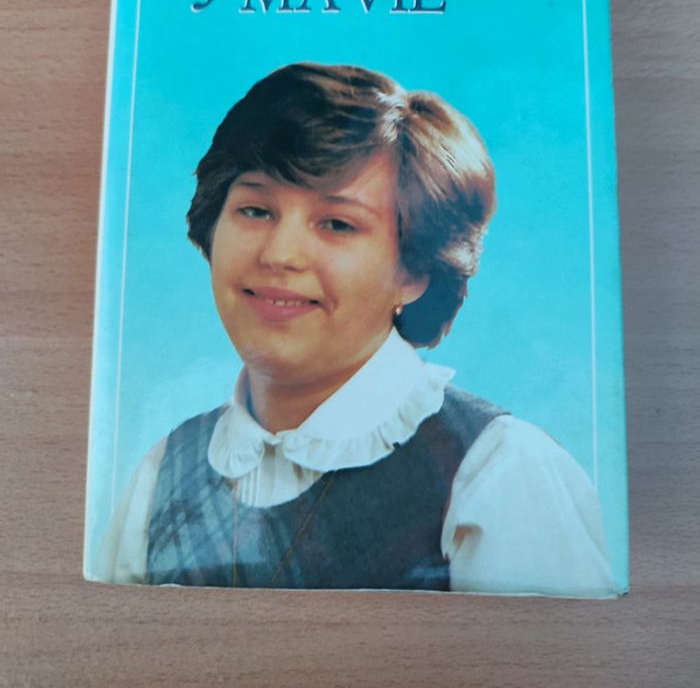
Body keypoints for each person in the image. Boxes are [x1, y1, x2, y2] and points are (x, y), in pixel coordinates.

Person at [96, 62, 614, 595]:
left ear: (414, 270)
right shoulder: (163, 474)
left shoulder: (497, 472)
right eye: (255, 210)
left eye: (337, 223)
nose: (279, 254)